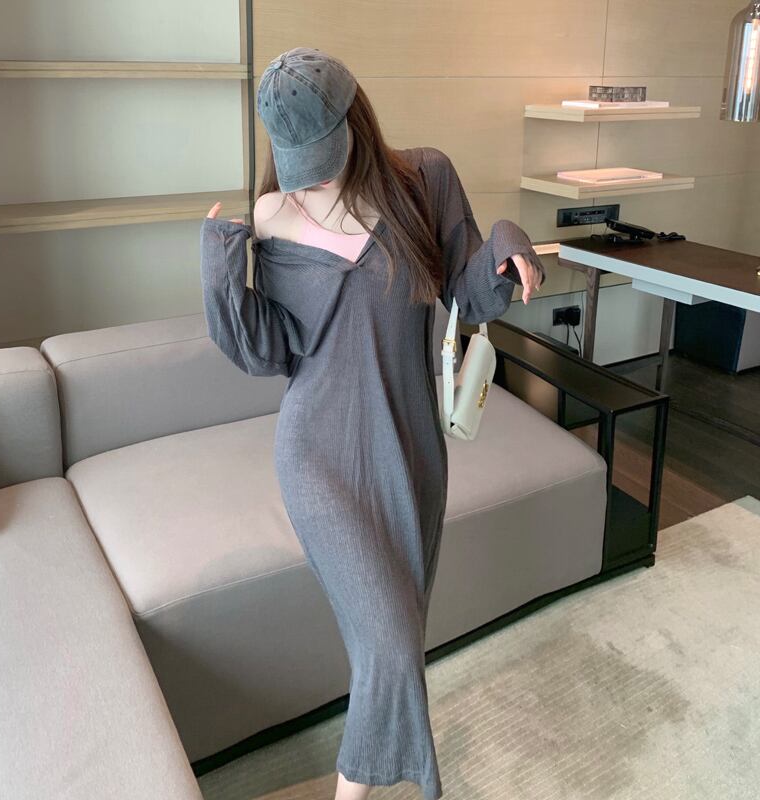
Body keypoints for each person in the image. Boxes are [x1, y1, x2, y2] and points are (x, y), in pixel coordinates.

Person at [199, 46, 545, 800]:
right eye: (297, 163)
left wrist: (507, 246)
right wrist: (221, 276)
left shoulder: (425, 180)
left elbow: (467, 294)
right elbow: (271, 352)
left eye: (321, 157)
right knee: (391, 645)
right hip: (317, 456)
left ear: (355, 121)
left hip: (409, 451)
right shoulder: (271, 215)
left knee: (390, 644)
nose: (310, 178)